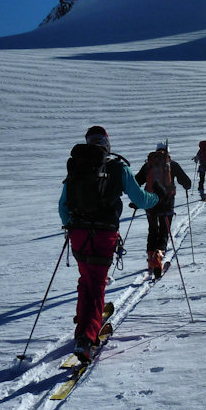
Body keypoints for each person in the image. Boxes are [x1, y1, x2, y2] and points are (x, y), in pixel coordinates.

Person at [59, 126, 161, 362]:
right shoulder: (117, 167)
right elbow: (140, 199)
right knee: (96, 285)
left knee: (86, 279)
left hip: (77, 234)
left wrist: (71, 226)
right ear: (107, 144)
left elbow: (62, 205)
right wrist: (157, 197)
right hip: (104, 234)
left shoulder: (76, 167)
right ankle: (86, 339)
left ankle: (82, 325)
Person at [135, 141, 192, 278]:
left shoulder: (148, 165)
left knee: (152, 229)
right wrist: (185, 186)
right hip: (167, 204)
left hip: (150, 203)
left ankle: (150, 258)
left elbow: (137, 181)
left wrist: (138, 199)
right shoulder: (172, 165)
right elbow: (187, 182)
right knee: (164, 231)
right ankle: (159, 255)